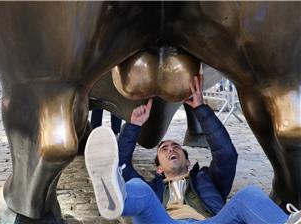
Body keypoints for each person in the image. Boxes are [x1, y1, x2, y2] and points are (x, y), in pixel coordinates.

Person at [85, 75, 301, 224]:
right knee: (134, 186)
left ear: (188, 162)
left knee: (249, 194)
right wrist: (133, 126)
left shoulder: (209, 180)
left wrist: (200, 109)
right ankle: (117, 200)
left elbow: (226, 155)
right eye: (165, 149)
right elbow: (121, 164)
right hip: (164, 221)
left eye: (176, 147)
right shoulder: (153, 189)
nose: (171, 149)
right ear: (159, 169)